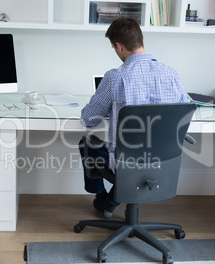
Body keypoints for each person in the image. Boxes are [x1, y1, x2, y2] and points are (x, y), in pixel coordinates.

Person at [79, 16, 189, 219]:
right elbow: (186, 110)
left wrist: (108, 109)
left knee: (87, 143)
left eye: (113, 48)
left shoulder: (115, 77)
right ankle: (112, 198)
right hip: (163, 161)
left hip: (125, 162)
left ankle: (104, 197)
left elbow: (89, 120)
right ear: (140, 40)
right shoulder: (171, 74)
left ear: (119, 46)